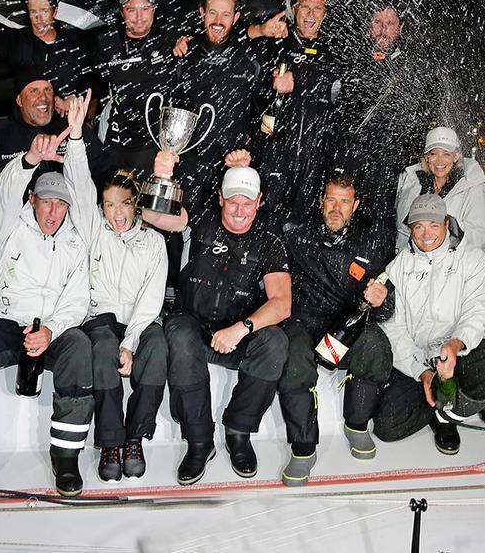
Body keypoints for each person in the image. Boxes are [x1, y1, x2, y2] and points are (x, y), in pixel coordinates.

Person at [0, 132, 92, 506]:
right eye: (46, 202)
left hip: (54, 325)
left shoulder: (78, 238)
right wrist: (27, 160)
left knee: (80, 348)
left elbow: (77, 297)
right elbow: (3, 192)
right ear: (32, 200)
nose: (53, 212)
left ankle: (66, 457)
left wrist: (52, 329)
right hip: (6, 321)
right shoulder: (9, 222)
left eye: (61, 204)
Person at [61, 93, 186, 482]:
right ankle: (111, 443)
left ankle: (135, 438)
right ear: (102, 207)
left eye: (124, 205)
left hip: (139, 321)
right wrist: (78, 134)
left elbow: (150, 301)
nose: (117, 213)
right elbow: (78, 182)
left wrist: (131, 343)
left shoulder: (152, 242)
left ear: (136, 205)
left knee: (159, 347)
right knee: (101, 351)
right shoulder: (94, 228)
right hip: (101, 319)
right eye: (110, 205)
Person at [340, 195, 485, 458]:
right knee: (388, 427)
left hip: (459, 353)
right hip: (418, 356)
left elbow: (478, 312)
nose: (426, 234)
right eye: (418, 226)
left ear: (446, 223)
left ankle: (454, 411)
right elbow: (393, 328)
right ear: (410, 229)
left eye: (433, 224)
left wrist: (455, 344)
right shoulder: (397, 267)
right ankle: (440, 403)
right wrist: (421, 372)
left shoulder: (474, 260)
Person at [164, 158, 291, 485]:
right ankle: (199, 441)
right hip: (192, 328)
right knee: (176, 331)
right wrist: (163, 174)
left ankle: (238, 431)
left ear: (259, 201)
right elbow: (157, 216)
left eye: (247, 203)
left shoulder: (269, 241)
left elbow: (282, 303)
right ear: (220, 197)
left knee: (275, 342)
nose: (239, 209)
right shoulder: (201, 219)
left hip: (235, 335)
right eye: (233, 200)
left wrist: (242, 329)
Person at [277, 170, 389, 485]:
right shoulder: (296, 231)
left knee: (376, 345)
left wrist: (381, 298)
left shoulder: (370, 242)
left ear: (356, 205)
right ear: (320, 201)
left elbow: (386, 301)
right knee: (292, 355)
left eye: (344, 201)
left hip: (344, 321)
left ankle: (356, 425)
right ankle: (302, 447)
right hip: (303, 317)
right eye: (331, 200)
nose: (336, 208)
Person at [329, 3, 447, 261]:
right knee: (344, 224)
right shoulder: (351, 60)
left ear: (400, 28)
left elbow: (426, 116)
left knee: (381, 228)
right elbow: (334, 110)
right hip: (351, 160)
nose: (383, 30)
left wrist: (409, 159)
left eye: (390, 24)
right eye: (377, 23)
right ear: (369, 26)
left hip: (389, 167)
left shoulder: (413, 67)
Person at [0, 68, 114, 223]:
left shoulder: (71, 126)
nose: (43, 98)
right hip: (16, 232)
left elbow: (103, 171)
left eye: (48, 90)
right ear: (19, 100)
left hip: (70, 230)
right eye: (34, 91)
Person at [245, 0, 343, 222]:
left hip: (315, 157)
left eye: (317, 8)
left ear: (325, 13)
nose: (310, 14)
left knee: (304, 224)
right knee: (266, 217)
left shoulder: (333, 52)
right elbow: (238, 45)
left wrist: (297, 82)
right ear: (294, 8)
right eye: (305, 7)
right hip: (274, 151)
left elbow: (338, 95)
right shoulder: (277, 42)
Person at [170, 0, 264, 220]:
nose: (218, 21)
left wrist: (250, 153)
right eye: (212, 13)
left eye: (225, 14)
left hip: (231, 165)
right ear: (202, 13)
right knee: (180, 231)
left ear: (236, 17)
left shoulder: (251, 57)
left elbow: (264, 112)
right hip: (189, 165)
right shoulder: (183, 53)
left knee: (224, 234)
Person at [0, 0, 95, 114]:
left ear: (54, 11)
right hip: (28, 124)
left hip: (70, 120)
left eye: (44, 11)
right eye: (33, 12)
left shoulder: (73, 41)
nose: (38, 19)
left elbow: (92, 77)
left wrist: (75, 97)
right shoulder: (18, 41)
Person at [93, 0, 176, 180]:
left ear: (154, 9)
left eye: (145, 8)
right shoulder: (107, 42)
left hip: (155, 144)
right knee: (115, 202)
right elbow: (94, 81)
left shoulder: (169, 37)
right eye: (131, 10)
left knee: (146, 207)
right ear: (122, 12)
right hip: (116, 139)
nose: (139, 18)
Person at [394, 126, 485, 252]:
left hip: (455, 265)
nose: (439, 161)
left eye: (446, 154)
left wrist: (448, 224)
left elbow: (478, 238)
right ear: (426, 157)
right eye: (433, 154)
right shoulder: (412, 183)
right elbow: (402, 232)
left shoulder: (472, 186)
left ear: (456, 156)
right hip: (415, 264)